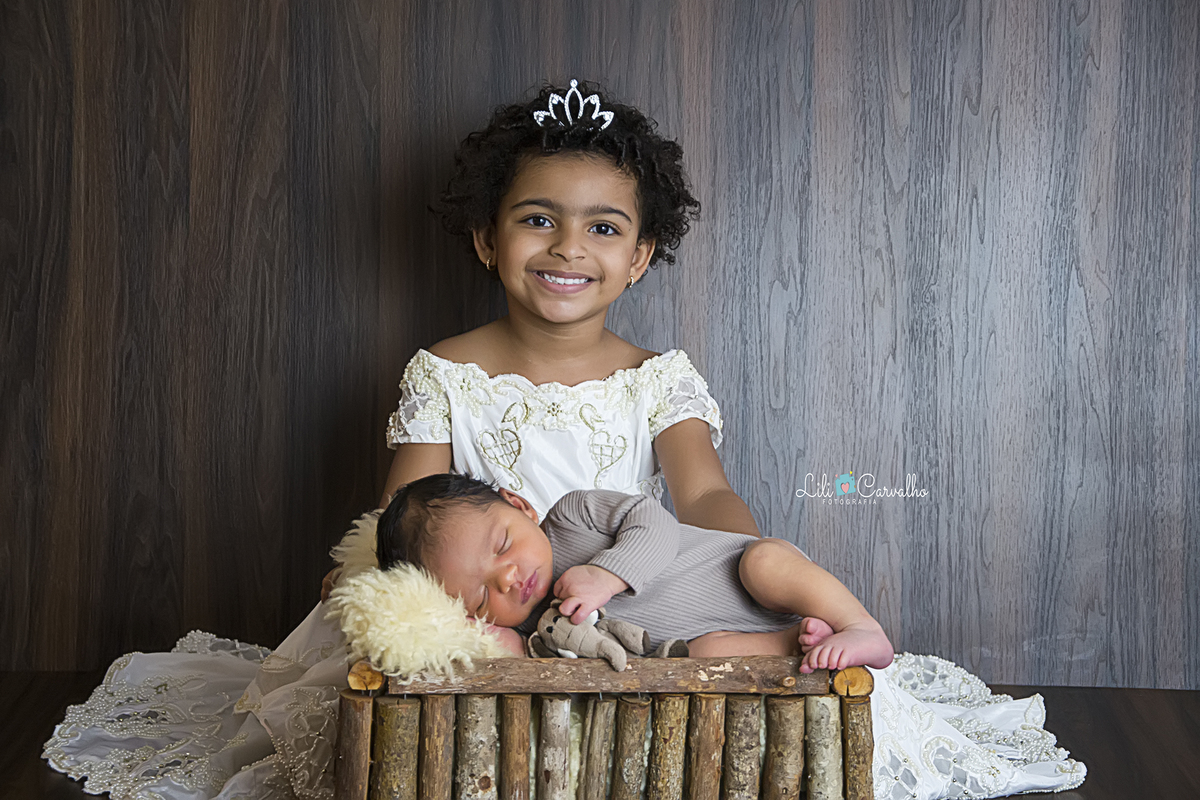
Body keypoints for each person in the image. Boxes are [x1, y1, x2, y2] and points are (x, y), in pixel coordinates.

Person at [45, 79, 1085, 800]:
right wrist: (373, 578)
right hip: (485, 581)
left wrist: (749, 560)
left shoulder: (657, 375)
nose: (567, 248)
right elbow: (407, 508)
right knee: (408, 664)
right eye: (538, 219)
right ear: (486, 236)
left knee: (729, 650)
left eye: (602, 228)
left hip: (632, 586)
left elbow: (705, 493)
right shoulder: (443, 368)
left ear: (639, 257)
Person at [375, 473, 896, 674]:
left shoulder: (574, 513)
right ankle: (797, 644)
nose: (509, 579)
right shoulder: (536, 633)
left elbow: (656, 522)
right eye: (482, 596)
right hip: (727, 638)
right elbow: (508, 661)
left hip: (746, 578)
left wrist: (608, 575)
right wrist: (485, 633)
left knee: (765, 560)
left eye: (503, 545)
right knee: (702, 657)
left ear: (519, 505)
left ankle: (861, 626)